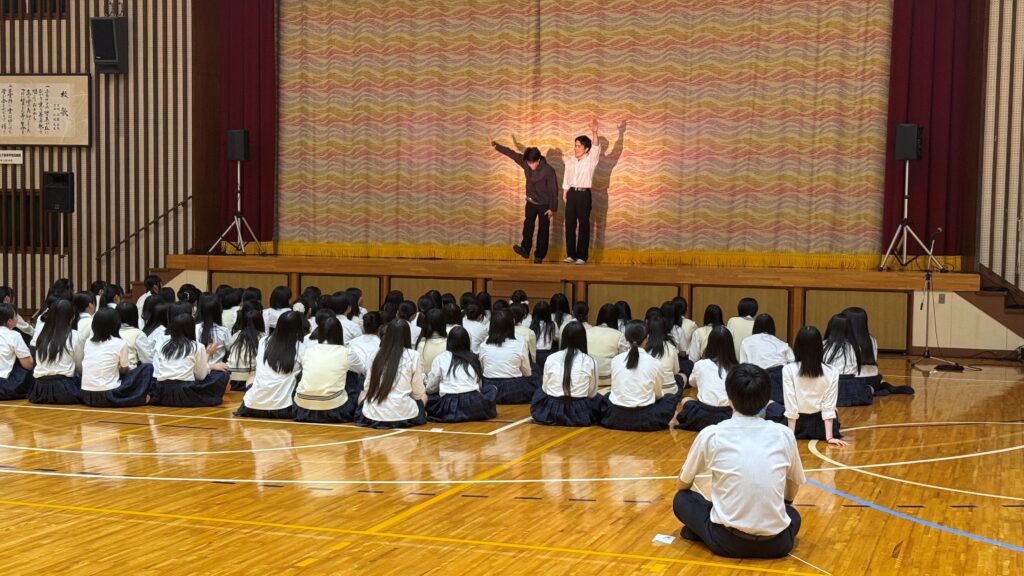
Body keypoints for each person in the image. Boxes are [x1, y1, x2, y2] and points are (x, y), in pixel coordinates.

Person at [673, 364, 805, 559]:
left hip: (726, 541)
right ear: (767, 401)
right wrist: (785, 504)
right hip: (777, 544)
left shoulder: (713, 434)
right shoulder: (784, 434)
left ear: (729, 399)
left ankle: (700, 532)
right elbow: (794, 484)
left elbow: (683, 484)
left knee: (681, 500)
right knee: (793, 515)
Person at [489, 135, 559, 264]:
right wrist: (496, 145)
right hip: (531, 201)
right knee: (528, 225)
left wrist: (552, 208)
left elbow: (553, 190)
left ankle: (539, 256)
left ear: (539, 159)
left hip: (544, 204)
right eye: (529, 163)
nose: (531, 165)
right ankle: (525, 249)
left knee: (543, 230)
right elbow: (512, 154)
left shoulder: (549, 170)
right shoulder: (526, 162)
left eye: (533, 163)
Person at [601, 321, 676, 431]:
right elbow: (658, 394)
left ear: (626, 338)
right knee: (670, 398)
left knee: (605, 397)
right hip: (645, 419)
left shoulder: (616, 360)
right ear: (647, 338)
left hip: (615, 417)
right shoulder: (655, 363)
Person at [355, 319, 428, 429]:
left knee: (362, 394)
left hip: (373, 415)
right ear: (407, 335)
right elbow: (418, 393)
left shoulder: (375, 353)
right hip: (403, 415)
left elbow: (367, 387)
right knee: (424, 396)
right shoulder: (413, 355)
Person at [781, 326, 848, 444]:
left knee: (773, 407)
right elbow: (829, 406)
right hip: (820, 429)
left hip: (797, 427)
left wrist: (791, 435)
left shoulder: (788, 369)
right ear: (819, 347)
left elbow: (791, 404)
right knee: (835, 410)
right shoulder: (832, 371)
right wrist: (829, 437)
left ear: (797, 346)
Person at [150, 310, 230, 406]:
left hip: (161, 392)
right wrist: (209, 357)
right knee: (221, 375)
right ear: (191, 328)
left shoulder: (164, 346)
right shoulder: (197, 346)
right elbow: (201, 376)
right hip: (184, 392)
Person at [294, 316, 365, 423]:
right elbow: (362, 370)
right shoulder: (346, 352)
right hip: (335, 411)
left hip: (301, 409)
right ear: (339, 333)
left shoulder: (309, 351)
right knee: (355, 375)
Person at [236, 311, 306, 419]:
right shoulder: (301, 347)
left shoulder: (263, 341)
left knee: (250, 379)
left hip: (253, 406)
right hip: (284, 408)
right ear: (299, 328)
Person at [530, 321, 601, 426]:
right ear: (583, 339)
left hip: (552, 409)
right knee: (601, 400)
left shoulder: (551, 357)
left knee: (539, 392)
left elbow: (545, 388)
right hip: (579, 411)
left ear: (564, 338)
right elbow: (592, 393)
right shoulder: (590, 361)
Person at [79, 308, 154, 407]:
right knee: (147, 367)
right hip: (108, 394)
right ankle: (142, 396)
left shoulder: (88, 342)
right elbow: (124, 370)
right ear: (116, 324)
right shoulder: (120, 343)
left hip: (86, 395)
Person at [425, 326, 497, 422]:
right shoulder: (474, 358)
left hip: (449, 404)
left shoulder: (441, 358)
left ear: (449, 341)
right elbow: (479, 385)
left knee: (426, 398)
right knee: (491, 389)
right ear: (467, 341)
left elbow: (430, 387)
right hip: (474, 403)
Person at [676, 326, 738, 432]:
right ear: (730, 346)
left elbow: (692, 382)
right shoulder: (737, 368)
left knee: (685, 400)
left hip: (702, 416)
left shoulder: (701, 364)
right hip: (728, 416)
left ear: (710, 344)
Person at [562, 119, 601, 264]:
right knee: (570, 224)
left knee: (583, 225)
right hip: (571, 194)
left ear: (586, 149)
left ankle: (581, 256)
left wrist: (594, 132)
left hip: (584, 195)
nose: (576, 148)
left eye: (579, 146)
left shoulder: (591, 160)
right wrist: (565, 192)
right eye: (575, 146)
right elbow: (566, 178)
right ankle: (571, 255)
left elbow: (595, 147)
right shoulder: (570, 161)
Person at [29, 299, 82, 404]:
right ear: (72, 317)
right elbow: (79, 364)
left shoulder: (42, 335)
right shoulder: (74, 335)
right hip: (65, 388)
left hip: (40, 388)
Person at [479, 309, 534, 404]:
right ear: (511, 324)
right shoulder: (520, 341)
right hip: (514, 389)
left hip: (490, 388)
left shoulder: (484, 344)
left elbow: (482, 369)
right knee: (535, 371)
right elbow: (527, 373)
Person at [739, 314, 794, 404]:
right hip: (780, 376)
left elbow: (743, 366)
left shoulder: (746, 341)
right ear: (772, 327)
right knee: (777, 407)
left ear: (755, 327)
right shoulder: (781, 343)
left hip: (757, 376)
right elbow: (792, 361)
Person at [823, 314, 872, 406]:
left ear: (830, 327)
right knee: (870, 388)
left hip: (830, 384)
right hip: (852, 386)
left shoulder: (823, 345)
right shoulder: (856, 346)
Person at [226, 302, 264, 391]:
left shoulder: (236, 335)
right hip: (252, 380)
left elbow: (228, 349)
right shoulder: (263, 337)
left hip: (232, 379)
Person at [0, 303, 34, 400]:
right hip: (4, 386)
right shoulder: (14, 335)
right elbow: (28, 365)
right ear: (9, 321)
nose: (17, 319)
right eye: (16, 316)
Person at [116, 302, 143, 369]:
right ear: (135, 316)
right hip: (130, 371)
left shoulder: (110, 331)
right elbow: (147, 359)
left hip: (113, 371)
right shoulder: (138, 334)